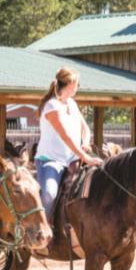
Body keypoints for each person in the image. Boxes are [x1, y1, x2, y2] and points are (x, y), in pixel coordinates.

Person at [35, 67, 103, 226]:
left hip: (74, 158)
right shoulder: (51, 106)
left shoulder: (72, 103)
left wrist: (85, 143)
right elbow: (65, 136)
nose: (78, 87)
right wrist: (85, 157)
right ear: (70, 84)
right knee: (49, 194)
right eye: (77, 84)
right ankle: (41, 229)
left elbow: (85, 128)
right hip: (51, 161)